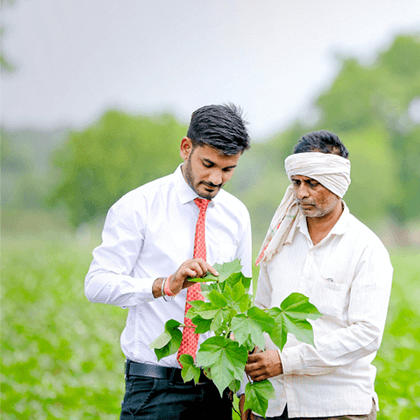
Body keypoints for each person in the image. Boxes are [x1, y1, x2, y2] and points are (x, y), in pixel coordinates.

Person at [85, 104, 252, 420]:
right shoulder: (139, 206)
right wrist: (164, 285)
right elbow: (96, 283)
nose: (216, 178)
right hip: (154, 386)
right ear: (186, 148)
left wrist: (243, 389)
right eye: (208, 164)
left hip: (217, 388)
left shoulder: (236, 215)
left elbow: (241, 302)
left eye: (228, 169)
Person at [243, 131, 393, 420]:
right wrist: (251, 391)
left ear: (338, 184)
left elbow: (366, 334)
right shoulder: (279, 240)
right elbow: (258, 312)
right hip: (274, 405)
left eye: (312, 183)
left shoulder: (366, 249)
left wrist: (287, 361)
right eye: (297, 183)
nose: (301, 193)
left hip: (336, 408)